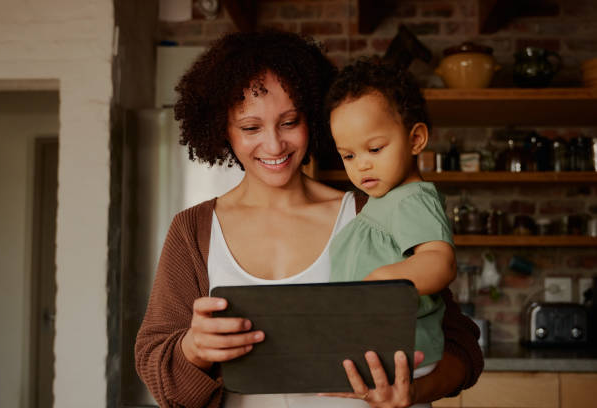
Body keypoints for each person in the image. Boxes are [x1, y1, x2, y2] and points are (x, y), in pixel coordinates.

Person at [135, 29, 483, 408]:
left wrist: (414, 391)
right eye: (251, 127)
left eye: (289, 122)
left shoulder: (372, 213)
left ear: (314, 120)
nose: (274, 145)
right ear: (224, 131)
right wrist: (193, 349)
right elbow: (158, 370)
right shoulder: (193, 231)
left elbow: (461, 344)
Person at [325, 57, 456, 382]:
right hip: (380, 352)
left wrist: (379, 280)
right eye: (349, 156)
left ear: (415, 140)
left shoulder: (413, 198)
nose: (362, 165)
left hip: (405, 353)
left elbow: (440, 263)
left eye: (375, 149)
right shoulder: (382, 203)